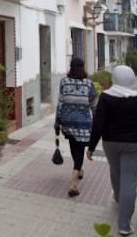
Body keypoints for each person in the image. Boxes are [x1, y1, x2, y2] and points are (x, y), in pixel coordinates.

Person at [86, 65, 137, 236]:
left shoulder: (106, 97)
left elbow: (98, 123)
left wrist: (91, 146)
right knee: (130, 181)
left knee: (116, 172)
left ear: (115, 79)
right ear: (131, 79)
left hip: (110, 143)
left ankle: (118, 198)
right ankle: (124, 225)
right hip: (134, 145)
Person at [54, 57, 97, 197]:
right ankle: (73, 184)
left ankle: (79, 170)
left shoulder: (64, 82)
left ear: (71, 67)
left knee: (74, 146)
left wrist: (57, 121)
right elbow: (94, 106)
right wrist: (97, 122)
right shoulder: (89, 84)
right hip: (83, 123)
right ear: (83, 67)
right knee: (80, 149)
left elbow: (60, 103)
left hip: (67, 121)